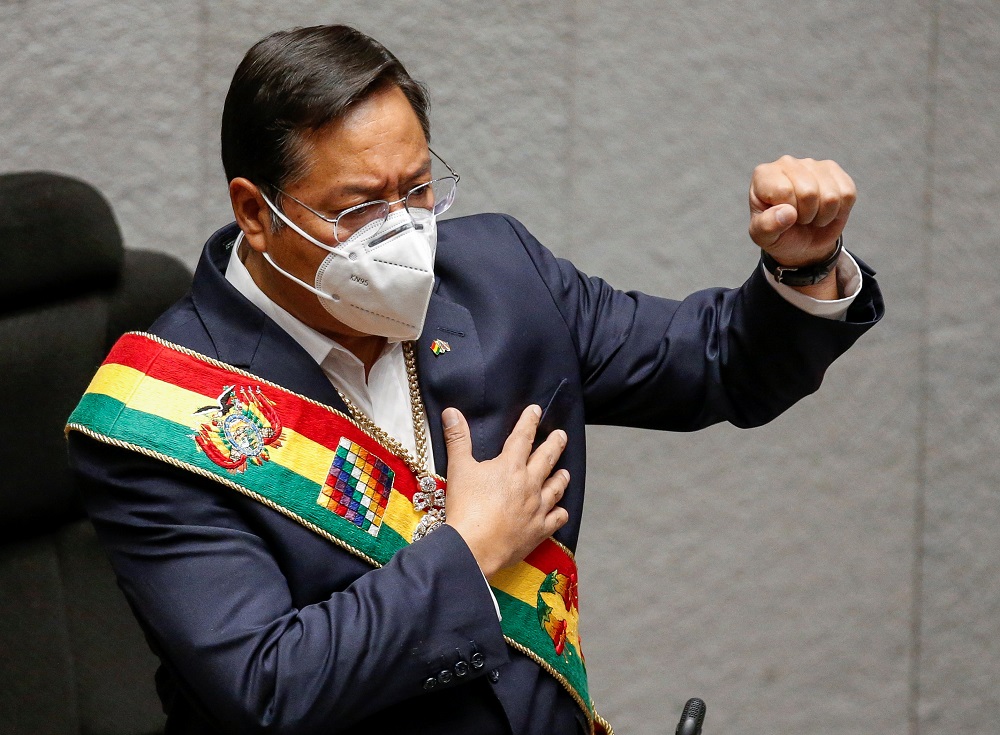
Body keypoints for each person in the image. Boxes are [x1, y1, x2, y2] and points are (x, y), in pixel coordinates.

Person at [66, 24, 883, 735]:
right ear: (255, 210)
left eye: (417, 190)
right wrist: (467, 551)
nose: (401, 233)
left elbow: (716, 365)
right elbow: (269, 689)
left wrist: (801, 266)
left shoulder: (499, 276)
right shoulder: (161, 411)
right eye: (357, 208)